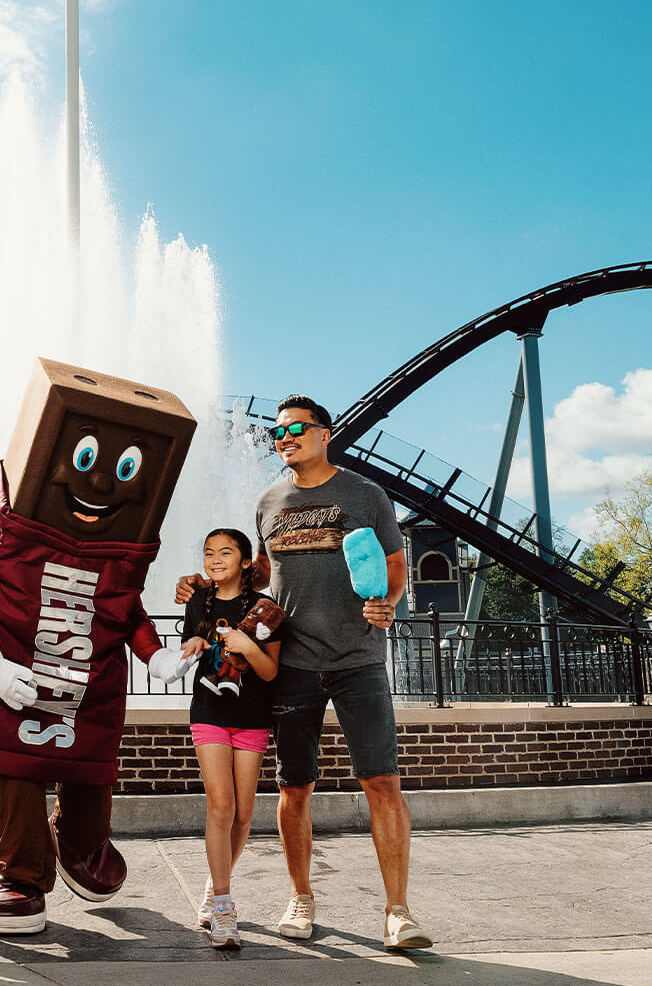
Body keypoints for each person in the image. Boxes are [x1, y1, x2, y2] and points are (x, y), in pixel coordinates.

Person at [176, 394, 432, 949]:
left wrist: (387, 602)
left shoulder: (365, 495)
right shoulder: (270, 500)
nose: (284, 438)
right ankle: (301, 898)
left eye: (295, 428)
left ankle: (398, 912)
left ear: (325, 433)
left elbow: (393, 568)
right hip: (292, 663)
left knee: (382, 782)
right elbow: (259, 575)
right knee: (294, 788)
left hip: (358, 659)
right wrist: (202, 587)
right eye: (276, 433)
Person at [177, 528, 280, 951]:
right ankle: (223, 905)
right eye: (208, 553)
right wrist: (195, 643)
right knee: (221, 805)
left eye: (225, 552)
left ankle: (212, 886)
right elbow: (188, 647)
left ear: (244, 562)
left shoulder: (265, 610)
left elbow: (271, 672)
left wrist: (246, 647)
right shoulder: (197, 601)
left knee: (243, 816)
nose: (215, 559)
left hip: (253, 717)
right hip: (210, 713)